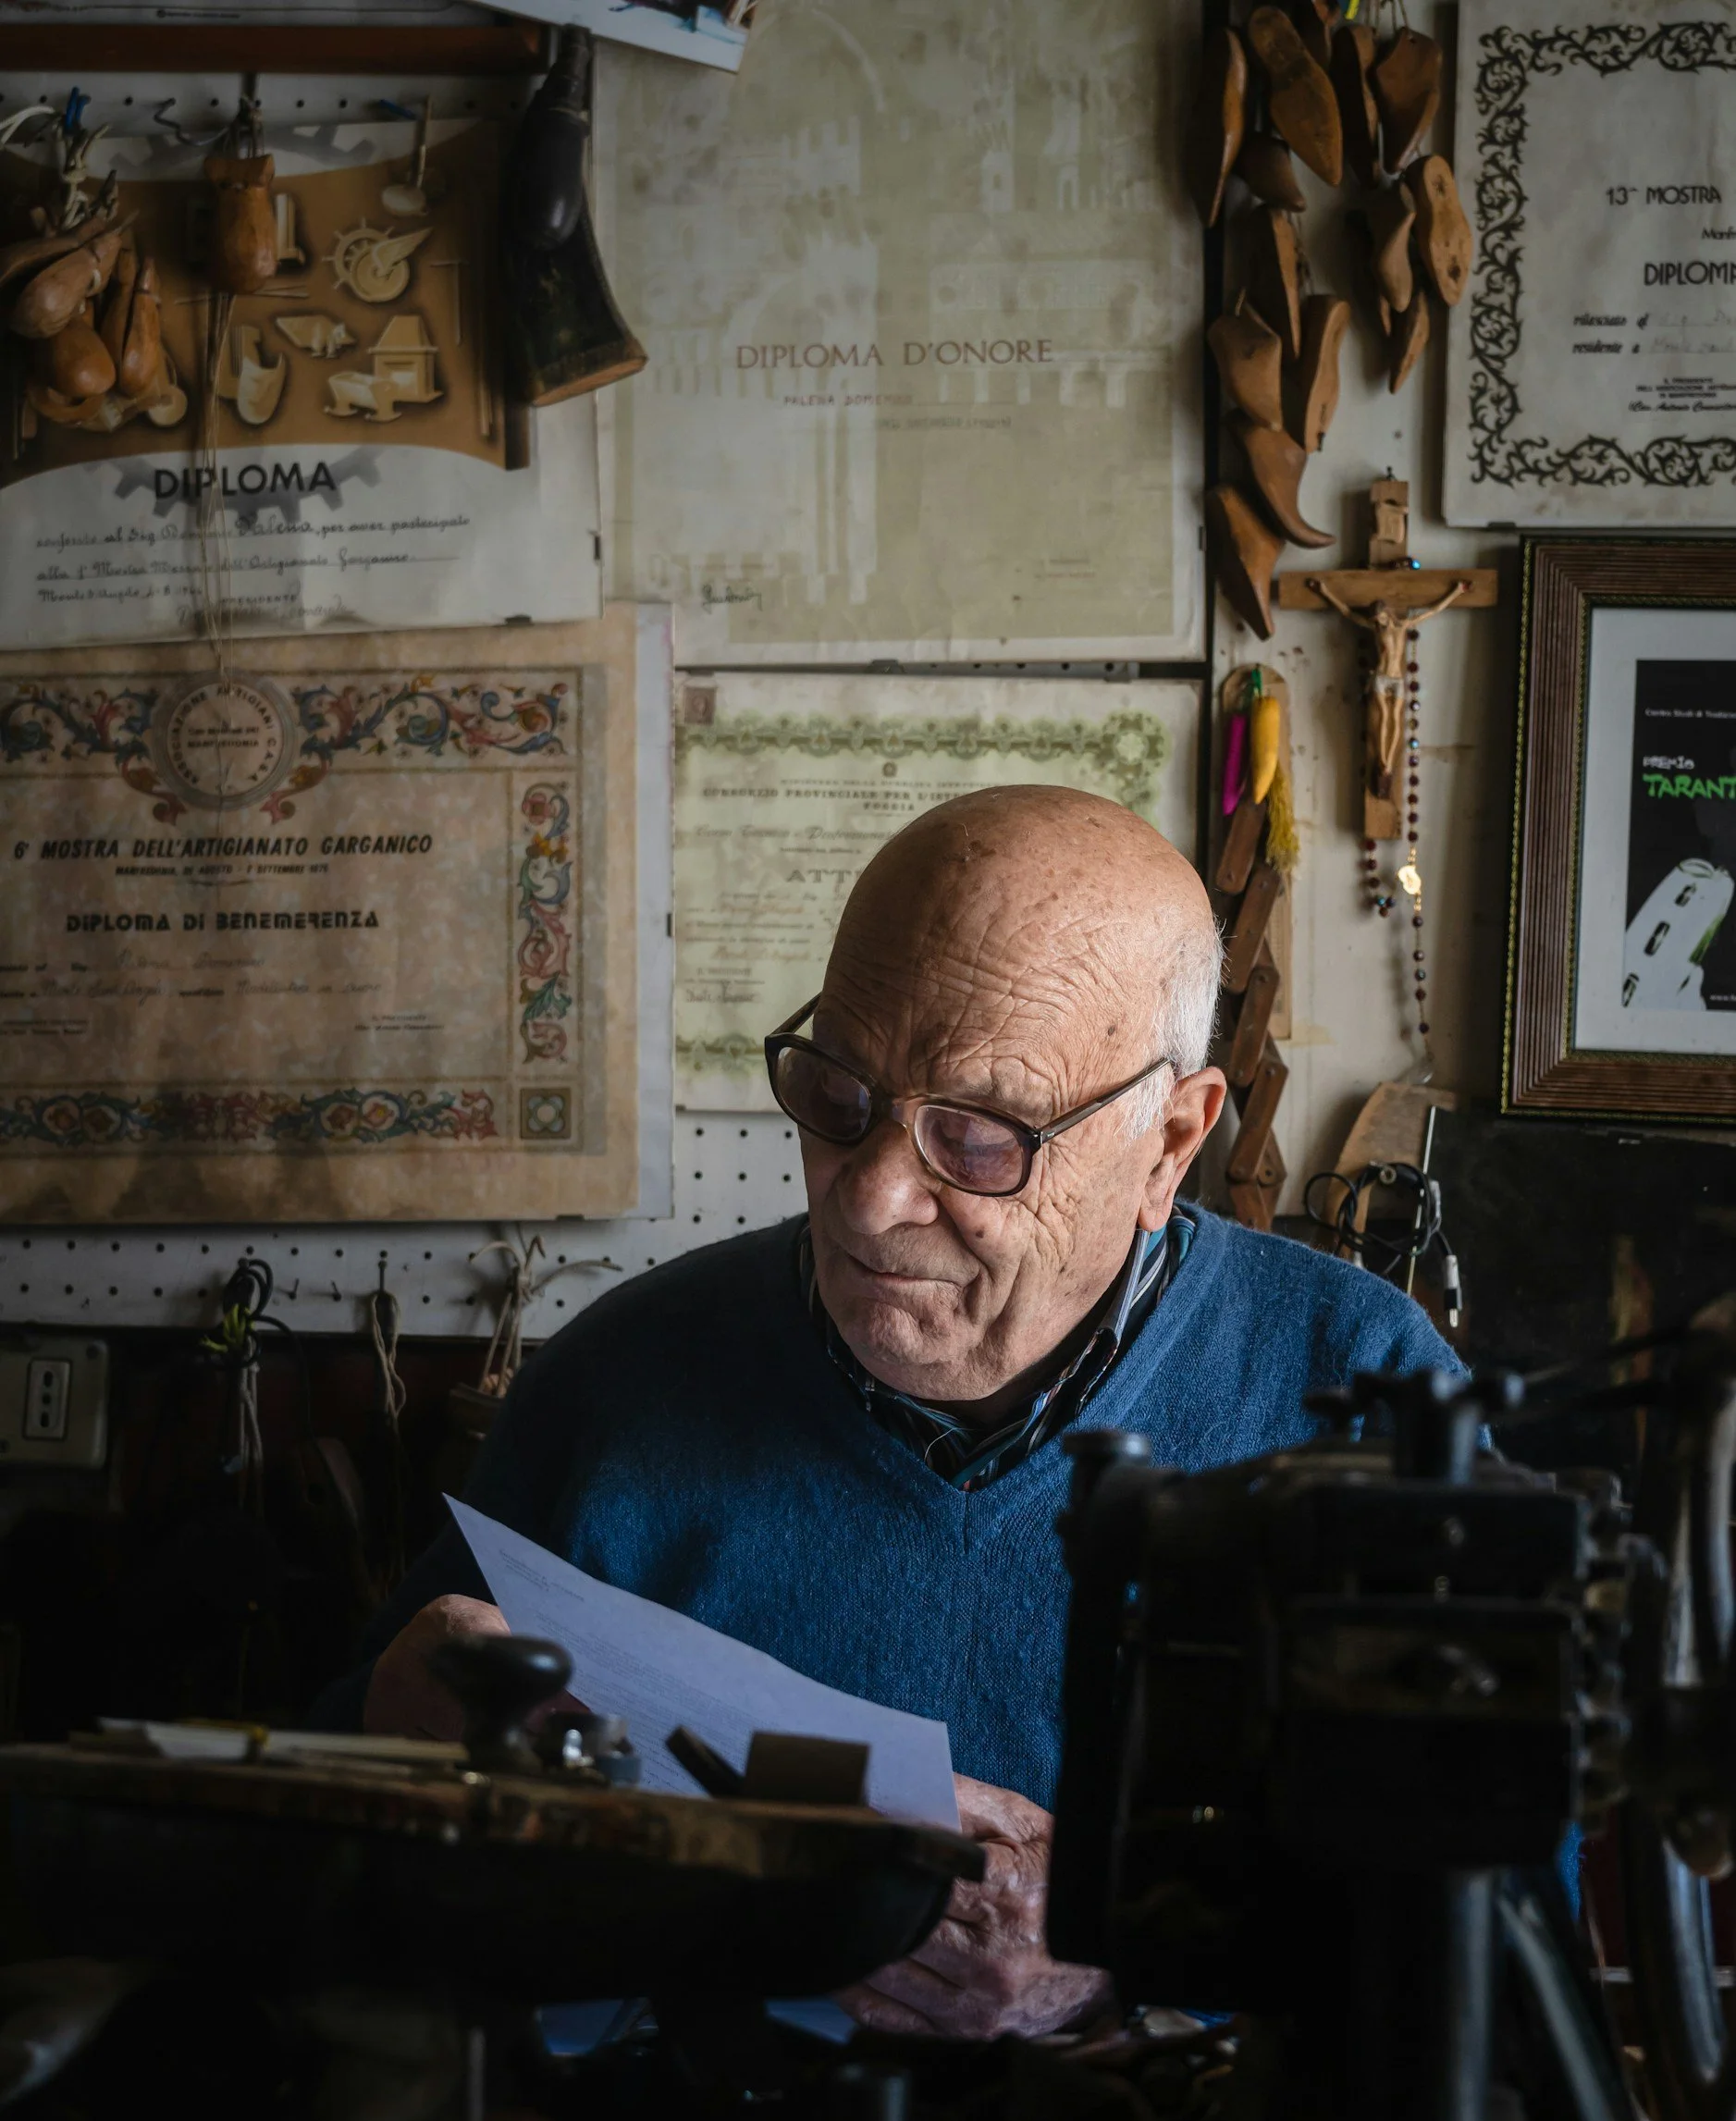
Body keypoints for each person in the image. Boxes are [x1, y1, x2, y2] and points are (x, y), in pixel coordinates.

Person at [321, 785, 1459, 2039]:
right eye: (838, 1097)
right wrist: (395, 1719)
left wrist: (1118, 1950)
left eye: (977, 1138)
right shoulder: (622, 1376)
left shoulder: (1356, 1392)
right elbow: (322, 1841)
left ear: (1169, 1144)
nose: (865, 1202)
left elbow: (1493, 1921)